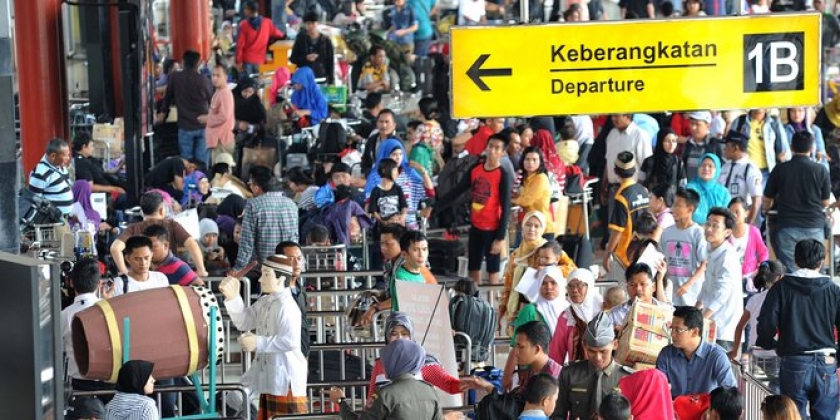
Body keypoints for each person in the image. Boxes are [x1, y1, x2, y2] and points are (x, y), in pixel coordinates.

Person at [757, 239, 840, 420]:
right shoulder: (834, 290)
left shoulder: (781, 287)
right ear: (821, 262)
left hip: (794, 361)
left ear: (795, 260)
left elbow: (766, 321)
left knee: (792, 416)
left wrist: (769, 343)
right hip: (826, 362)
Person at [220, 256, 309, 418]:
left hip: (286, 379)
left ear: (281, 279)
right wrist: (233, 297)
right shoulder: (266, 300)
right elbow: (245, 321)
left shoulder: (287, 306)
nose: (260, 279)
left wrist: (258, 342)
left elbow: (289, 341)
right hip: (269, 376)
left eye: (266, 274)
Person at [435, 133, 513, 285]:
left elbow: (506, 208)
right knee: (473, 266)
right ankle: (474, 296)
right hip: (476, 226)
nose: (492, 151)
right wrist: (435, 208)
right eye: (490, 146)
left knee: (493, 269)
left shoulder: (502, 175)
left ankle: (492, 298)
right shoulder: (475, 169)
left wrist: (500, 237)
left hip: (493, 228)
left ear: (503, 152)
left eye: (497, 148)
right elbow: (457, 191)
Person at [762, 131, 831, 272]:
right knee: (814, 270)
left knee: (792, 272)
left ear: (791, 147)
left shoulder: (780, 169)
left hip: (787, 226)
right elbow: (825, 202)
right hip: (814, 225)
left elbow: (767, 199)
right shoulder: (821, 170)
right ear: (811, 148)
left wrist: (766, 209)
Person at [363, 312, 460, 403]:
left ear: (411, 336)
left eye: (404, 334)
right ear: (387, 337)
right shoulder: (381, 363)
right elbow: (372, 397)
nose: (399, 338)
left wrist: (464, 384)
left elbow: (448, 384)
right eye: (394, 334)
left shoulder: (424, 363)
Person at [333, 340, 443, 420]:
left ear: (395, 363)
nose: (384, 366)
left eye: (387, 362)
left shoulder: (385, 394)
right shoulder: (431, 391)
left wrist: (341, 402)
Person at [554, 313, 634, 420]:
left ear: (615, 344)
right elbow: (557, 415)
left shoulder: (628, 378)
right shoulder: (569, 374)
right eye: (591, 351)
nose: (598, 357)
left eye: (603, 351)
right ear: (584, 345)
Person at [110, 191, 208, 277]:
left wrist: (125, 272)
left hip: (143, 280)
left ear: (142, 211)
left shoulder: (133, 228)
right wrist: (201, 270)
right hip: (170, 277)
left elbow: (115, 248)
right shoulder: (172, 225)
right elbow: (192, 244)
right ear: (162, 210)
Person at [655, 306, 737, 399]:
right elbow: (658, 389)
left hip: (705, 408)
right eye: (672, 329)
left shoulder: (717, 357)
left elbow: (730, 394)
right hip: (673, 407)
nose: (672, 334)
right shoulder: (666, 354)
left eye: (678, 330)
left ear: (695, 332)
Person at [503, 265, 567, 382]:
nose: (548, 287)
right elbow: (517, 346)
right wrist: (507, 377)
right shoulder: (530, 311)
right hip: (534, 374)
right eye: (544, 283)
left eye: (553, 283)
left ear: (561, 285)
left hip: (565, 372)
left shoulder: (569, 310)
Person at [461, 321, 561, 394]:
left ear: (537, 349)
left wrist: (488, 387)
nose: (516, 352)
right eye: (516, 346)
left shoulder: (551, 380)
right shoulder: (534, 370)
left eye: (521, 347)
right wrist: (486, 386)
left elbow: (517, 408)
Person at [63, 258, 113, 400]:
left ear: (71, 282)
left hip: (79, 385)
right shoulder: (111, 309)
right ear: (99, 283)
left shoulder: (64, 315)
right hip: (108, 381)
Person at [235, 166, 299, 271]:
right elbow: (295, 237)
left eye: (250, 184)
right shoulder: (291, 204)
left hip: (266, 267)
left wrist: (238, 267)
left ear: (256, 187)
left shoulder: (253, 205)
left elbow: (247, 242)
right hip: (289, 265)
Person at [696, 207, 743, 351]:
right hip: (711, 324)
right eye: (708, 224)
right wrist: (695, 310)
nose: (709, 229)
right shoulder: (711, 250)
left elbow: (722, 294)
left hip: (724, 330)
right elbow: (707, 285)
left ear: (727, 232)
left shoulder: (727, 256)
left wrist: (701, 319)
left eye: (715, 226)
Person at [160, 50, 214, 166]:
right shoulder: (204, 80)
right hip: (203, 126)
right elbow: (213, 102)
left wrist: (163, 112)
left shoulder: (175, 77)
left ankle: (188, 177)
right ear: (199, 63)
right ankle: (201, 176)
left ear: (183, 62)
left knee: (186, 163)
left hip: (185, 126)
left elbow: (167, 98)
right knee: (202, 163)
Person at [364, 139, 432, 230]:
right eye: (394, 154)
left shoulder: (409, 174)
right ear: (385, 155)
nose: (398, 158)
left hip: (408, 224)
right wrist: (383, 221)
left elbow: (430, 193)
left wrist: (422, 170)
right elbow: (369, 206)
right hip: (384, 226)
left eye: (400, 154)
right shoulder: (375, 177)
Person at [603, 151, 650, 276]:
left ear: (615, 171)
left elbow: (618, 230)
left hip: (626, 256)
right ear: (634, 170)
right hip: (644, 251)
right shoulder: (643, 190)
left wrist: (607, 254)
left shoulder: (622, 197)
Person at [499, 213, 548, 332]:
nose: (532, 229)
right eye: (528, 225)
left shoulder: (549, 250)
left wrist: (547, 270)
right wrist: (501, 313)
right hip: (516, 311)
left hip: (540, 310)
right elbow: (508, 286)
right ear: (523, 226)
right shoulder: (516, 255)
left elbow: (569, 269)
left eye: (536, 226)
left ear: (543, 229)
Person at [659, 187, 707, 306]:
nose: (673, 209)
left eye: (678, 205)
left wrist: (688, 284)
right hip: (670, 293)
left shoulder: (698, 233)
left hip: (692, 294)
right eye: (673, 204)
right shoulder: (667, 233)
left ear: (690, 209)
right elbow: (661, 258)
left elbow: (704, 263)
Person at [548, 268, 604, 365]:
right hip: (578, 372)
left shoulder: (605, 311)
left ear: (589, 286)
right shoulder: (566, 317)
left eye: (579, 285)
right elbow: (556, 354)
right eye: (570, 286)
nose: (574, 290)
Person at [605, 262, 670, 328]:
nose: (638, 288)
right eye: (632, 285)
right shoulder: (614, 314)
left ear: (653, 287)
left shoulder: (666, 311)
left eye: (643, 284)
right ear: (627, 288)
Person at [719, 131, 763, 224]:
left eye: (727, 146)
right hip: (722, 215)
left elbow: (757, 201)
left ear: (735, 148)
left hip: (738, 217)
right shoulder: (725, 167)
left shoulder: (750, 169)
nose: (724, 149)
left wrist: (747, 225)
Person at [728, 198, 769, 295]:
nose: (734, 215)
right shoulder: (726, 233)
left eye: (737, 212)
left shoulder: (753, 231)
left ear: (746, 213)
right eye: (731, 212)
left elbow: (763, 251)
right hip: (730, 278)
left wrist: (761, 267)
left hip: (749, 278)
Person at [514, 147, 556, 240]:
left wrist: (510, 200)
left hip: (543, 229)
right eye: (527, 159)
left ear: (540, 162)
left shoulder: (541, 178)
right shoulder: (526, 178)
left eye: (534, 160)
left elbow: (526, 201)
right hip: (529, 226)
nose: (530, 162)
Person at [236, 1, 285, 77]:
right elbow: (279, 34)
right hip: (260, 61)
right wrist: (285, 36)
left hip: (246, 61)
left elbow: (240, 45)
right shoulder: (267, 23)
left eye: (245, 9)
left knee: (246, 83)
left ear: (249, 10)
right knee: (259, 83)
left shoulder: (243, 25)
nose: (244, 10)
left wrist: (238, 61)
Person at [29, 137, 73, 215]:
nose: (68, 158)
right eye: (65, 156)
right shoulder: (40, 174)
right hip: (52, 220)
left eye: (68, 155)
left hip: (65, 217)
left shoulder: (61, 166)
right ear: (53, 156)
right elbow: (34, 201)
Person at [202, 64, 235, 164]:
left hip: (221, 141)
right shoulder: (219, 92)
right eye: (213, 75)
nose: (215, 78)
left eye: (218, 75)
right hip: (218, 141)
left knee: (221, 171)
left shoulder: (224, 94)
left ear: (225, 77)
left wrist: (207, 119)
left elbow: (224, 116)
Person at [290, 12, 335, 84]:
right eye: (308, 24)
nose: (310, 26)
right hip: (304, 79)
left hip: (321, 79)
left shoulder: (326, 41)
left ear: (318, 24)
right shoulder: (301, 39)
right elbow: (293, 59)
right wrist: (306, 58)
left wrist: (331, 82)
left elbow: (330, 63)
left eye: (313, 23)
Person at [686, 154, 731, 225]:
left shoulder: (724, 192)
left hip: (718, 230)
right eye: (703, 165)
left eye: (710, 166)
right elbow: (692, 214)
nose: (706, 168)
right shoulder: (690, 188)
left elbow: (726, 216)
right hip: (695, 229)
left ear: (717, 169)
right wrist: (714, 220)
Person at [367, 157, 408, 231]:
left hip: (397, 223)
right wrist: (384, 222)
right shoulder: (376, 190)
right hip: (382, 226)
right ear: (384, 170)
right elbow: (373, 211)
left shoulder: (398, 188)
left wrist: (402, 217)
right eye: (395, 170)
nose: (397, 173)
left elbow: (404, 206)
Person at [682, 111, 725, 180]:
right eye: (691, 123)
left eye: (697, 124)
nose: (693, 127)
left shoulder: (715, 145)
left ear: (708, 126)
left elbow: (723, 169)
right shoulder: (688, 144)